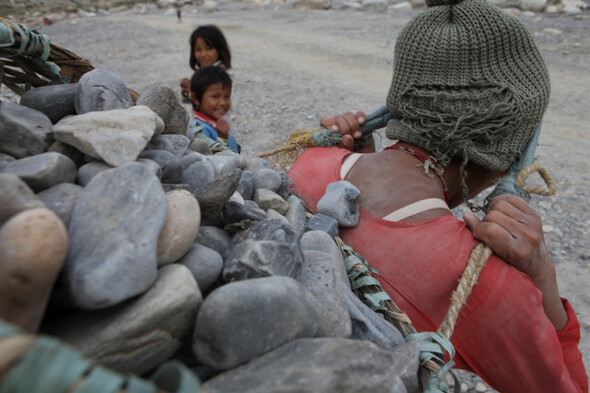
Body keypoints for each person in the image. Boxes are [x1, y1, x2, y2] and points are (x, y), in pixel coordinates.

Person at [287, 0, 588, 391]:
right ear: (503, 149)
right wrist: (543, 278)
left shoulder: (312, 163)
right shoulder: (485, 284)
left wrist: (364, 159)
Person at [189, 66, 240, 153]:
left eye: (227, 96)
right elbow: (210, 159)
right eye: (215, 96)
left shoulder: (216, 124)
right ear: (196, 98)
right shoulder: (199, 129)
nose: (223, 103)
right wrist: (222, 139)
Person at [180, 25, 232, 101]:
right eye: (198, 50)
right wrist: (186, 92)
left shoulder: (221, 76)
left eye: (208, 49)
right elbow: (193, 103)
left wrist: (193, 90)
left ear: (220, 49)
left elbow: (214, 103)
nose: (203, 54)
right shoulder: (201, 72)